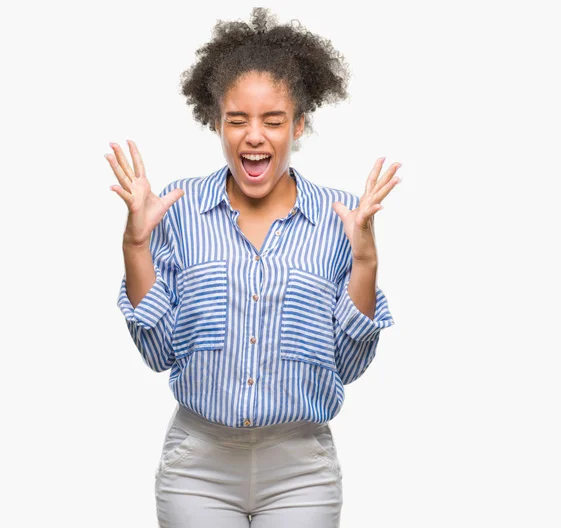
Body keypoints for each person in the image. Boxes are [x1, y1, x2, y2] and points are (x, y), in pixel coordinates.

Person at [107, 7, 401, 527]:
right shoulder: (177, 211)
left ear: (299, 125)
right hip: (197, 464)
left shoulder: (341, 219)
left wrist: (365, 259)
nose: (254, 136)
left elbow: (349, 366)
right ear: (216, 122)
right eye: (237, 120)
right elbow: (157, 352)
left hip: (300, 469)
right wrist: (136, 244)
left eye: (273, 120)